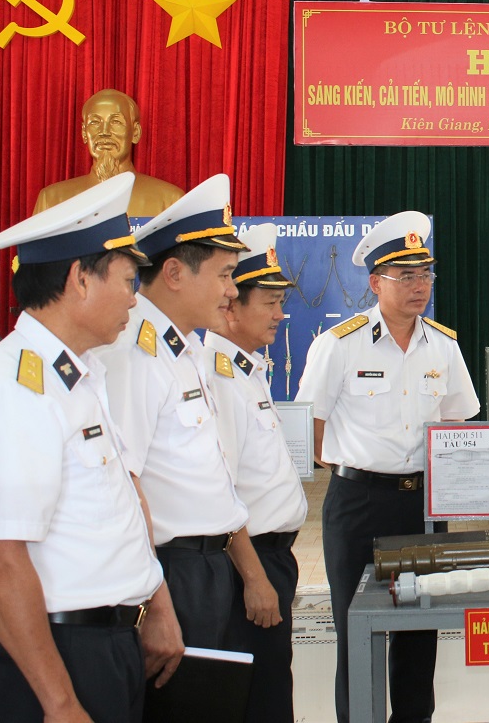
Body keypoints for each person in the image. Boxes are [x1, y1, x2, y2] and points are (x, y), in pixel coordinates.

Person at [0, 174, 184, 722]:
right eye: (127, 280)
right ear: (80, 279)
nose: (135, 297)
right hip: (60, 656)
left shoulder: (79, 377)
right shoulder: (20, 386)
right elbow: (5, 562)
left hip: (109, 645)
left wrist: (154, 604)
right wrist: (59, 703)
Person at [295, 210, 480, 723]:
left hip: (423, 507)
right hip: (358, 505)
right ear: (376, 282)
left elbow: (456, 424)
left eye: (426, 275)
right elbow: (309, 430)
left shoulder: (444, 346)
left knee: (420, 634)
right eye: (406, 276)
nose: (420, 286)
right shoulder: (339, 345)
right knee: (357, 631)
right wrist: (358, 467)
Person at [95, 174, 275, 653]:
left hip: (206, 567)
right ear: (174, 274)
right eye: (224, 275)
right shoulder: (135, 353)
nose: (232, 291)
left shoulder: (184, 350)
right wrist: (155, 603)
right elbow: (125, 486)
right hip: (170, 573)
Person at [204, 223, 308, 723]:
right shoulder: (218, 377)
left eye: (280, 302)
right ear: (231, 307)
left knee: (271, 690)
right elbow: (219, 492)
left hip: (271, 557)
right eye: (269, 303)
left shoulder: (245, 369)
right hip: (249, 562)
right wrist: (255, 578)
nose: (280, 314)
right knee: (259, 700)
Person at [35, 89, 184, 217]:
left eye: (116, 122)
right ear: (84, 133)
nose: (104, 132)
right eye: (95, 122)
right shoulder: (52, 200)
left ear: (135, 133)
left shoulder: (169, 200)